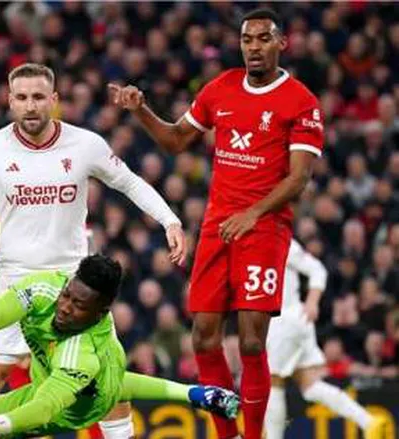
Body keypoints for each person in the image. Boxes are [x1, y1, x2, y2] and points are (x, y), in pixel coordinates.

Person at [0, 62, 186, 438]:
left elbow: (129, 182)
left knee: (109, 385)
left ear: (54, 99)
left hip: (73, 286)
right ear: (10, 101)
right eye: (22, 97)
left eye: (38, 97)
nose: (30, 106)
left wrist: (170, 220)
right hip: (15, 280)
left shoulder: (85, 144)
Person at [109, 9, 324, 439]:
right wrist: (141, 110)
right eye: (247, 39)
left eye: (264, 39)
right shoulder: (221, 87)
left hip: (264, 229)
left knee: (251, 341)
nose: (254, 47)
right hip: (217, 227)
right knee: (203, 338)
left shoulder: (301, 102)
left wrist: (252, 213)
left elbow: (299, 178)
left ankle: (254, 434)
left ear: (281, 43)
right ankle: (228, 435)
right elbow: (175, 140)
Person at [0, 255, 239, 437]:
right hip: (54, 380)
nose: (65, 307)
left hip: (74, 408)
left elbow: (46, 407)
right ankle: (195, 393)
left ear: (100, 313)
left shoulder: (82, 352)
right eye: (67, 295)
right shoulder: (47, 287)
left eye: (79, 306)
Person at [264, 240, 387, 439]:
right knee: (309, 384)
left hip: (284, 321)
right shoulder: (254, 239)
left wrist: (312, 302)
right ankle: (369, 422)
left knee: (273, 381)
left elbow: (317, 269)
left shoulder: (279, 240)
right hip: (289, 321)